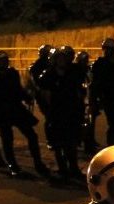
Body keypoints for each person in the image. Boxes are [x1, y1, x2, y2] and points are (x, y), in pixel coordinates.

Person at [0, 50, 50, 178]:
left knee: (32, 136)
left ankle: (38, 162)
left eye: (5, 60)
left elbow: (18, 89)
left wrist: (27, 97)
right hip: (1, 112)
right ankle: (12, 165)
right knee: (7, 140)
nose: (4, 63)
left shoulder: (12, 73)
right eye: (1, 61)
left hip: (16, 109)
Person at [38, 45, 87, 184]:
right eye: (59, 58)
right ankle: (62, 169)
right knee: (58, 143)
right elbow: (45, 96)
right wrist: (49, 113)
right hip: (56, 113)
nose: (62, 61)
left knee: (71, 143)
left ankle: (74, 168)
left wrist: (80, 107)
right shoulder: (48, 75)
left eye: (63, 58)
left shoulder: (73, 73)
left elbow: (79, 91)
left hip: (71, 111)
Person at [75, 50, 99, 155]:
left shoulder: (89, 70)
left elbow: (92, 83)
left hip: (89, 99)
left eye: (86, 59)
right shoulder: (75, 71)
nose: (85, 61)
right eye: (83, 60)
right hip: (80, 101)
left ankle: (89, 143)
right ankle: (83, 143)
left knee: (90, 123)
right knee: (82, 124)